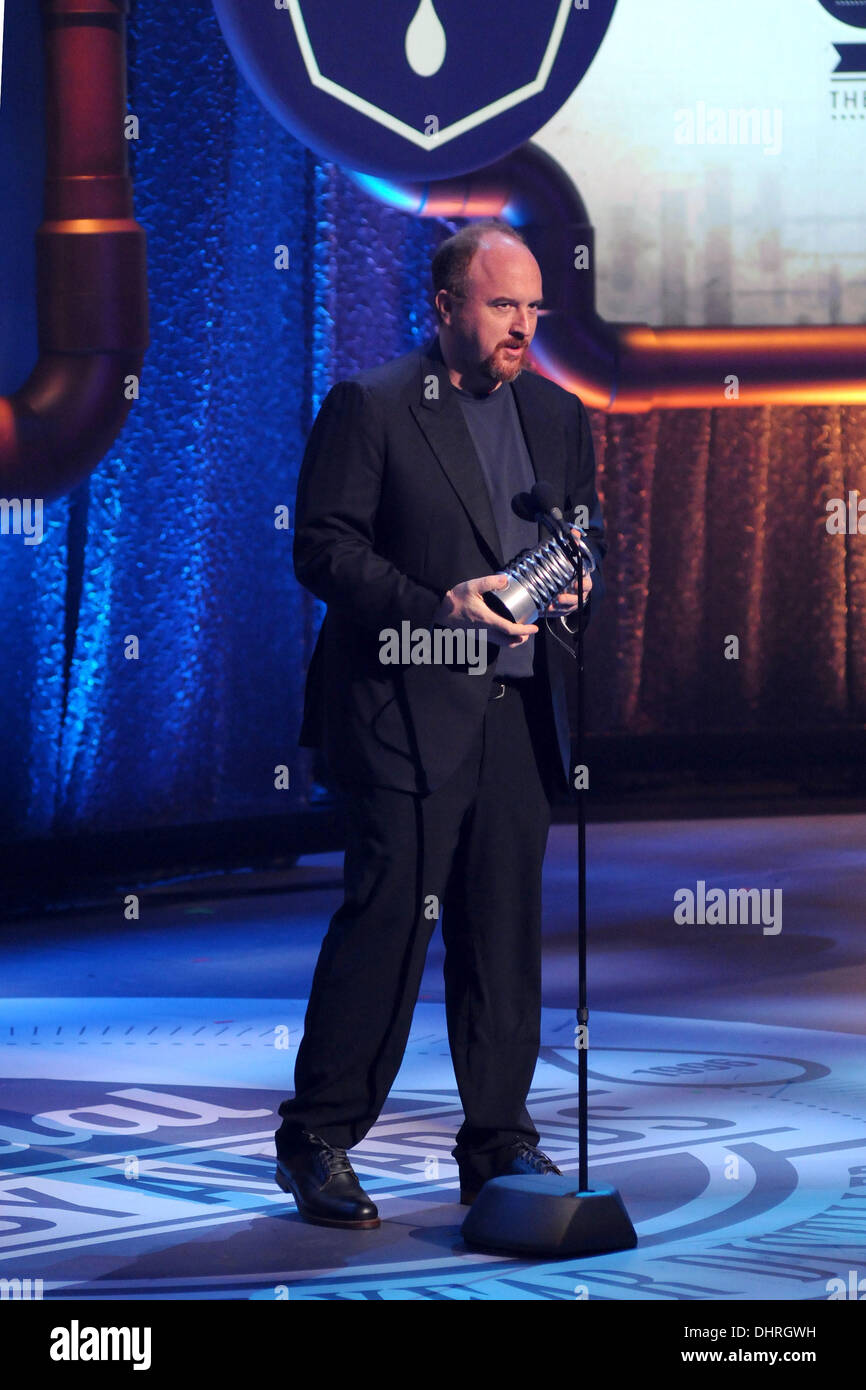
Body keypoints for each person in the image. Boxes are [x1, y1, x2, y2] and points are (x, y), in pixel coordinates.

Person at [275, 218, 607, 1228]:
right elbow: (322, 549)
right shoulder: (372, 406)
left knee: (502, 930)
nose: (520, 327)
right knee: (387, 923)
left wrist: (576, 580)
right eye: (501, 305)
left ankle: (497, 1138)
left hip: (515, 707)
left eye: (531, 309)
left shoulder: (557, 413)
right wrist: (437, 608)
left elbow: (573, 533)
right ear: (444, 307)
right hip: (403, 709)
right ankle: (318, 1137)